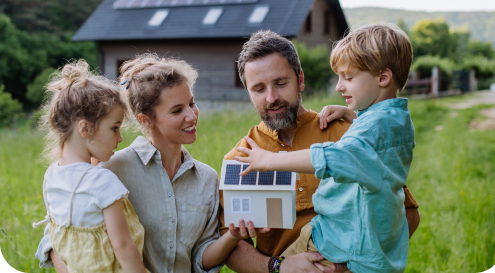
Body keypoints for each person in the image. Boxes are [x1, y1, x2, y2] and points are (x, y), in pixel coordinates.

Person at [35, 54, 263, 273]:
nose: (192, 116)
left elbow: (199, 259)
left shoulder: (207, 179)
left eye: (191, 103)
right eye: (177, 110)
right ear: (146, 119)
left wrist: (233, 236)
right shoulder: (110, 169)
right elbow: (61, 235)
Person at [220, 29, 420, 273]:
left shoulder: (348, 132)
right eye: (259, 89)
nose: (271, 97)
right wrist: (278, 267)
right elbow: (232, 246)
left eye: (281, 83)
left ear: (300, 80)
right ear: (249, 93)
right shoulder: (242, 159)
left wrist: (349, 265)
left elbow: (403, 212)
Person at [33, 60, 149, 273]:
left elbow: (58, 238)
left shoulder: (52, 176)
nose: (120, 138)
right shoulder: (102, 181)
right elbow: (122, 244)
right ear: (85, 128)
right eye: (114, 128)